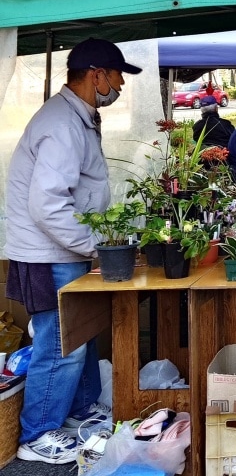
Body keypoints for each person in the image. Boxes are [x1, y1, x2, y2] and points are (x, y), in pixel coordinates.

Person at [6, 38, 138, 463]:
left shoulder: (77, 117)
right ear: (96, 74)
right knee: (61, 342)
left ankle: (78, 411)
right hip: (48, 253)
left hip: (64, 249)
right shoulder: (61, 124)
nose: (120, 85)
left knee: (81, 333)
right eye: (118, 76)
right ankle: (37, 433)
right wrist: (95, 247)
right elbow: (48, 204)